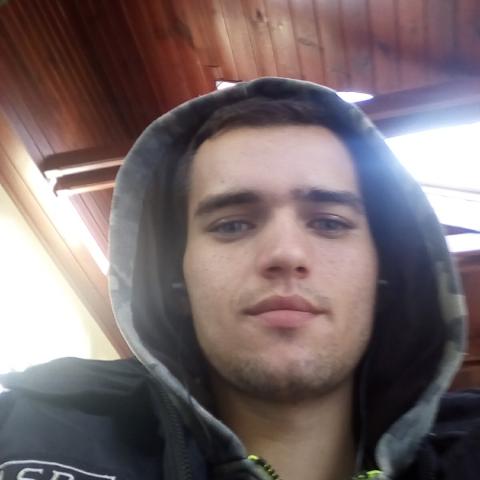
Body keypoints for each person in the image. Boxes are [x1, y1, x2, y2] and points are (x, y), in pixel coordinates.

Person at [0, 77, 478, 480]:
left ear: (384, 275)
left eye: (329, 223)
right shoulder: (21, 431)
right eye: (232, 225)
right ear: (178, 281)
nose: (285, 253)